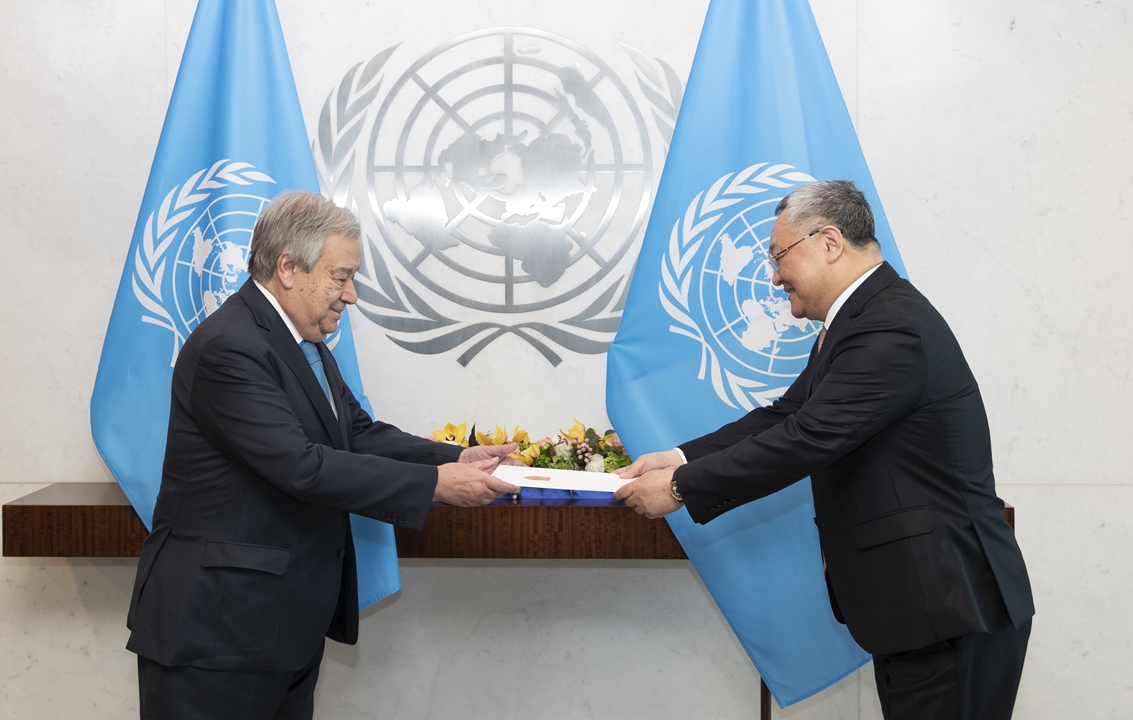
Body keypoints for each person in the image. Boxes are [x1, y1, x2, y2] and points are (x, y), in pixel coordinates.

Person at [615, 180, 1034, 720]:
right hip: (925, 608)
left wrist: (678, 489)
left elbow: (807, 439)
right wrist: (679, 458)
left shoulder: (889, 326)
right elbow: (788, 415)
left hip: (949, 606)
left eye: (778, 255)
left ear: (829, 242)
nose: (774, 275)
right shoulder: (863, 319)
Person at [127, 190, 520, 720]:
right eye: (341, 277)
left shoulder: (298, 340)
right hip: (217, 635)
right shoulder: (231, 346)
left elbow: (355, 434)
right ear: (288, 268)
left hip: (278, 629)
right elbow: (301, 464)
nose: (351, 295)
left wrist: (453, 460)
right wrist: (434, 487)